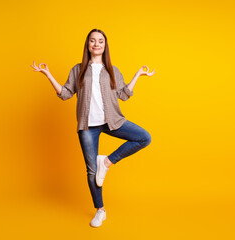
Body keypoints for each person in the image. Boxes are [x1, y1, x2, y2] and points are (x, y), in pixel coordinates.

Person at [31, 29, 155, 227]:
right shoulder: (77, 70)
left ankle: (106, 162)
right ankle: (100, 210)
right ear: (88, 45)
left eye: (100, 41)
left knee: (143, 138)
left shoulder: (113, 70)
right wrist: (48, 75)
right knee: (91, 171)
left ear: (105, 46)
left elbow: (123, 95)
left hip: (111, 121)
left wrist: (138, 75)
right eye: (92, 41)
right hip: (88, 126)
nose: (96, 44)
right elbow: (65, 93)